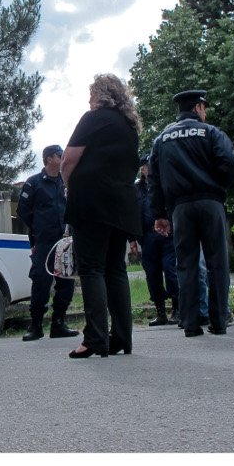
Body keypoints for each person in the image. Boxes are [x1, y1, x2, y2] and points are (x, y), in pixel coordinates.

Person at [61, 74, 142, 358]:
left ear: (100, 95)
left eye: (91, 94)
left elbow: (69, 158)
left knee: (92, 268)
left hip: (92, 201)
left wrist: (68, 185)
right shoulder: (130, 126)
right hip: (121, 203)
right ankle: (122, 336)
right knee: (115, 269)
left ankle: (95, 338)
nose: (89, 100)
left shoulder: (93, 118)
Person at [148, 89, 234, 338]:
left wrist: (159, 214)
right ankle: (219, 321)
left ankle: (190, 323)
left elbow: (153, 180)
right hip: (210, 202)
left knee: (185, 265)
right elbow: (230, 162)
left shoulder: (161, 139)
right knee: (216, 263)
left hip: (180, 208)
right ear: (198, 107)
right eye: (204, 108)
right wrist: (218, 186)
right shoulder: (210, 133)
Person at [16, 144, 79, 341]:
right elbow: (23, 211)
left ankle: (58, 323)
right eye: (60, 155)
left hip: (65, 241)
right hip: (44, 241)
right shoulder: (34, 183)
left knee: (66, 282)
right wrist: (37, 228)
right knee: (41, 282)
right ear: (49, 159)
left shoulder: (66, 181)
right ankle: (35, 326)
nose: (63, 158)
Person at [133, 153, 179, 326]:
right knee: (152, 275)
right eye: (144, 165)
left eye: (149, 164)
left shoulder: (164, 183)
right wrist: (133, 239)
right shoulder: (136, 189)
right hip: (147, 236)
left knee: (171, 269)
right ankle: (161, 312)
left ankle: (177, 308)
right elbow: (133, 213)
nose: (147, 168)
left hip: (167, 234)